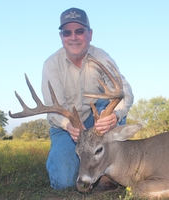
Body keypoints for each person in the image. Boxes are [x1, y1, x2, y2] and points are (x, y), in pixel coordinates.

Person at [41, 7, 134, 190]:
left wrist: (114, 116)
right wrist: (67, 124)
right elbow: (53, 109)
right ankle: (83, 168)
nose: (73, 37)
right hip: (67, 128)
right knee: (63, 182)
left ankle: (110, 171)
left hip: (97, 124)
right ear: (61, 37)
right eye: (67, 32)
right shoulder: (51, 65)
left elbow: (125, 92)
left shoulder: (101, 57)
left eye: (79, 31)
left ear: (90, 34)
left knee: (110, 104)